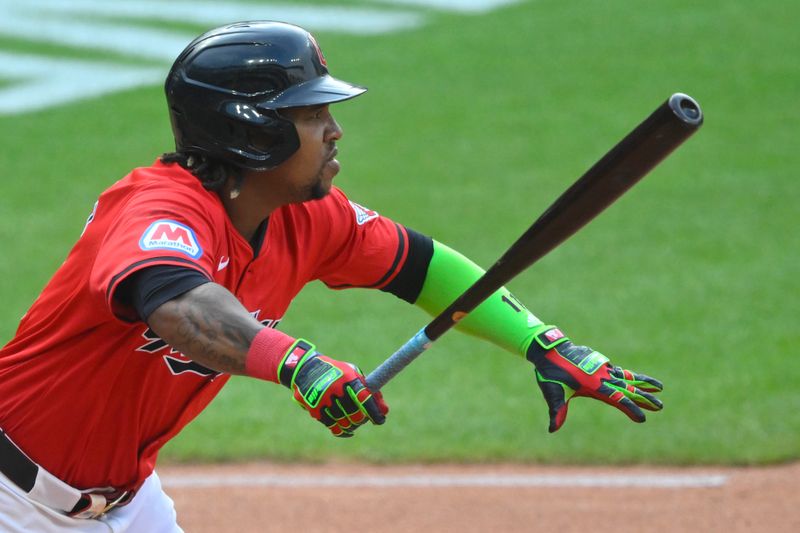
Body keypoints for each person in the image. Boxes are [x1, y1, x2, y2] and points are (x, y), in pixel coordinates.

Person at [0, 20, 663, 532]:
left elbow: (425, 268)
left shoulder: (309, 218)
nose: (335, 131)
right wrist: (302, 366)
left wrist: (543, 342)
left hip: (123, 497)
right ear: (252, 130)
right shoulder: (158, 210)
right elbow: (179, 307)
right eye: (312, 115)